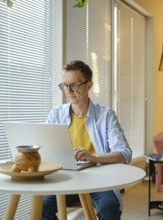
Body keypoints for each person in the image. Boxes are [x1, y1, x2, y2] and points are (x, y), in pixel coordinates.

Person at [42, 60, 132, 220]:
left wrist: (93, 158)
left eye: (74, 85)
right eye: (64, 85)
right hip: (65, 178)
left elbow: (124, 154)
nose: (68, 91)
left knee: (108, 208)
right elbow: (46, 149)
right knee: (41, 208)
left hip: (99, 179)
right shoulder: (55, 114)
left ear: (89, 85)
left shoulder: (106, 115)